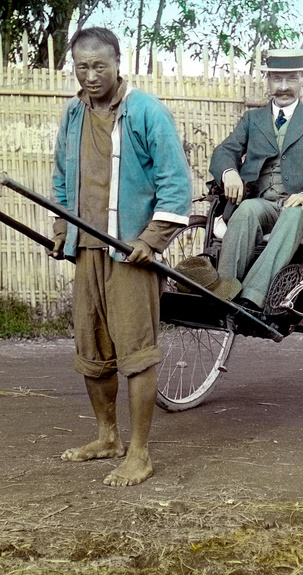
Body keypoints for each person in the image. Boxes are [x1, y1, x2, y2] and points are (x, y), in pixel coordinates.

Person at [48, 27, 192, 486]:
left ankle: (140, 453)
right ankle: (107, 437)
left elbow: (175, 183)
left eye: (99, 66)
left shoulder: (146, 112)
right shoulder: (73, 115)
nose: (90, 76)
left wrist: (150, 240)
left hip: (130, 252)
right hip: (85, 248)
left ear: (117, 63)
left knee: (136, 352)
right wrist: (60, 228)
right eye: (81, 67)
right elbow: (61, 178)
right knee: (92, 349)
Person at [209, 49, 303, 310]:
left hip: (301, 206)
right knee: (247, 209)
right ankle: (224, 292)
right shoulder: (252, 119)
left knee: (293, 213)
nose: (283, 87)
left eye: (291, 79)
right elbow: (225, 151)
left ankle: (252, 297)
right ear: (268, 82)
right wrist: (230, 173)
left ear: (302, 80)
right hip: (264, 203)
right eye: (277, 79)